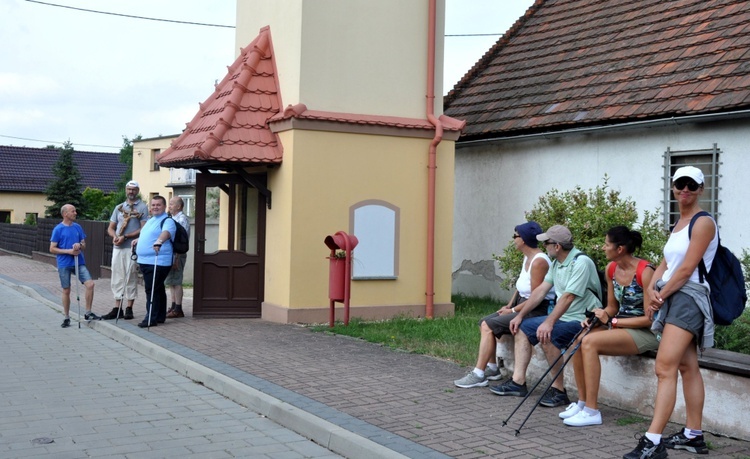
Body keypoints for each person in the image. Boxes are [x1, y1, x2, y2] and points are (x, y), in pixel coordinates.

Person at [624, 166, 717, 459]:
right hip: (673, 296)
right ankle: (693, 435)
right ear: (673, 188)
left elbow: (688, 269)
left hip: (689, 298)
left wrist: (658, 297)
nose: (685, 189)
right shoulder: (678, 224)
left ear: (702, 189)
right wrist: (651, 290)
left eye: (692, 185)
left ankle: (652, 442)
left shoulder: (703, 223)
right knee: (687, 367)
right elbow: (666, 264)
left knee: (664, 367)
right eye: (680, 184)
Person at [560, 226, 658, 427]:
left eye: (606, 244)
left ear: (620, 248)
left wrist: (612, 322)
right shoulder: (611, 269)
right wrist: (598, 317)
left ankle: (592, 411)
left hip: (647, 333)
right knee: (579, 338)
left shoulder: (645, 272)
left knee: (589, 342)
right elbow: (613, 306)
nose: (603, 247)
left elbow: (650, 319)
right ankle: (582, 402)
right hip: (622, 328)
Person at [499, 225, 601, 408]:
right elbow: (540, 291)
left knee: (547, 333)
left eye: (546, 243)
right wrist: (519, 314)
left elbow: (569, 297)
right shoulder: (556, 263)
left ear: (557, 246)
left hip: (583, 319)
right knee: (524, 327)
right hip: (565, 316)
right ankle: (518, 382)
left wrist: (548, 322)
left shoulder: (581, 262)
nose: (544, 246)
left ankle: (559, 391)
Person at [454, 221, 555, 388]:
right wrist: (509, 306)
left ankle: (478, 374)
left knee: (488, 325)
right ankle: (492, 368)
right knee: (484, 322)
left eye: (515, 236)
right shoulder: (527, 257)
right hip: (522, 304)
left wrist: (514, 310)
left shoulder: (539, 261)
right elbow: (520, 288)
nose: (513, 239)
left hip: (536, 309)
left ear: (523, 239)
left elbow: (536, 297)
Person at [49, 204, 100, 327]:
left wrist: (79, 245)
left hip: (79, 261)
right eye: (73, 211)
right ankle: (66, 317)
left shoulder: (77, 227)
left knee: (90, 284)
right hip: (64, 263)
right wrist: (68, 251)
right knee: (66, 289)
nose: (75, 213)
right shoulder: (58, 229)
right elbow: (52, 248)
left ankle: (88, 312)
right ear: (65, 214)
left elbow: (84, 245)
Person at [103, 180, 147, 320]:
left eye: (134, 190)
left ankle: (129, 307)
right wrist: (115, 236)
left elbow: (143, 229)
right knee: (117, 276)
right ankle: (117, 307)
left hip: (132, 247)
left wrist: (126, 236)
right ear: (125, 190)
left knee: (130, 275)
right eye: (129, 189)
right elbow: (111, 227)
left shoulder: (142, 208)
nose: (131, 192)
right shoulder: (119, 207)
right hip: (118, 247)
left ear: (137, 191)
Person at [133, 196, 177, 328]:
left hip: (158, 260)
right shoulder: (151, 220)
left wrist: (159, 241)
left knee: (151, 289)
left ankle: (150, 318)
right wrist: (138, 241)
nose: (155, 207)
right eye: (153, 205)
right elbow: (146, 235)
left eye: (158, 205)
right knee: (157, 288)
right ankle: (160, 316)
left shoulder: (167, 220)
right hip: (146, 261)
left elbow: (166, 233)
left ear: (164, 207)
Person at [165, 196, 190, 319]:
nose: (169, 206)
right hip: (171, 253)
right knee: (171, 281)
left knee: (177, 280)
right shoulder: (172, 218)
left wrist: (177, 257)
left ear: (179, 206)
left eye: (171, 204)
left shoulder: (182, 219)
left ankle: (178, 309)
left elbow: (181, 239)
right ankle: (173, 306)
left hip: (177, 254)